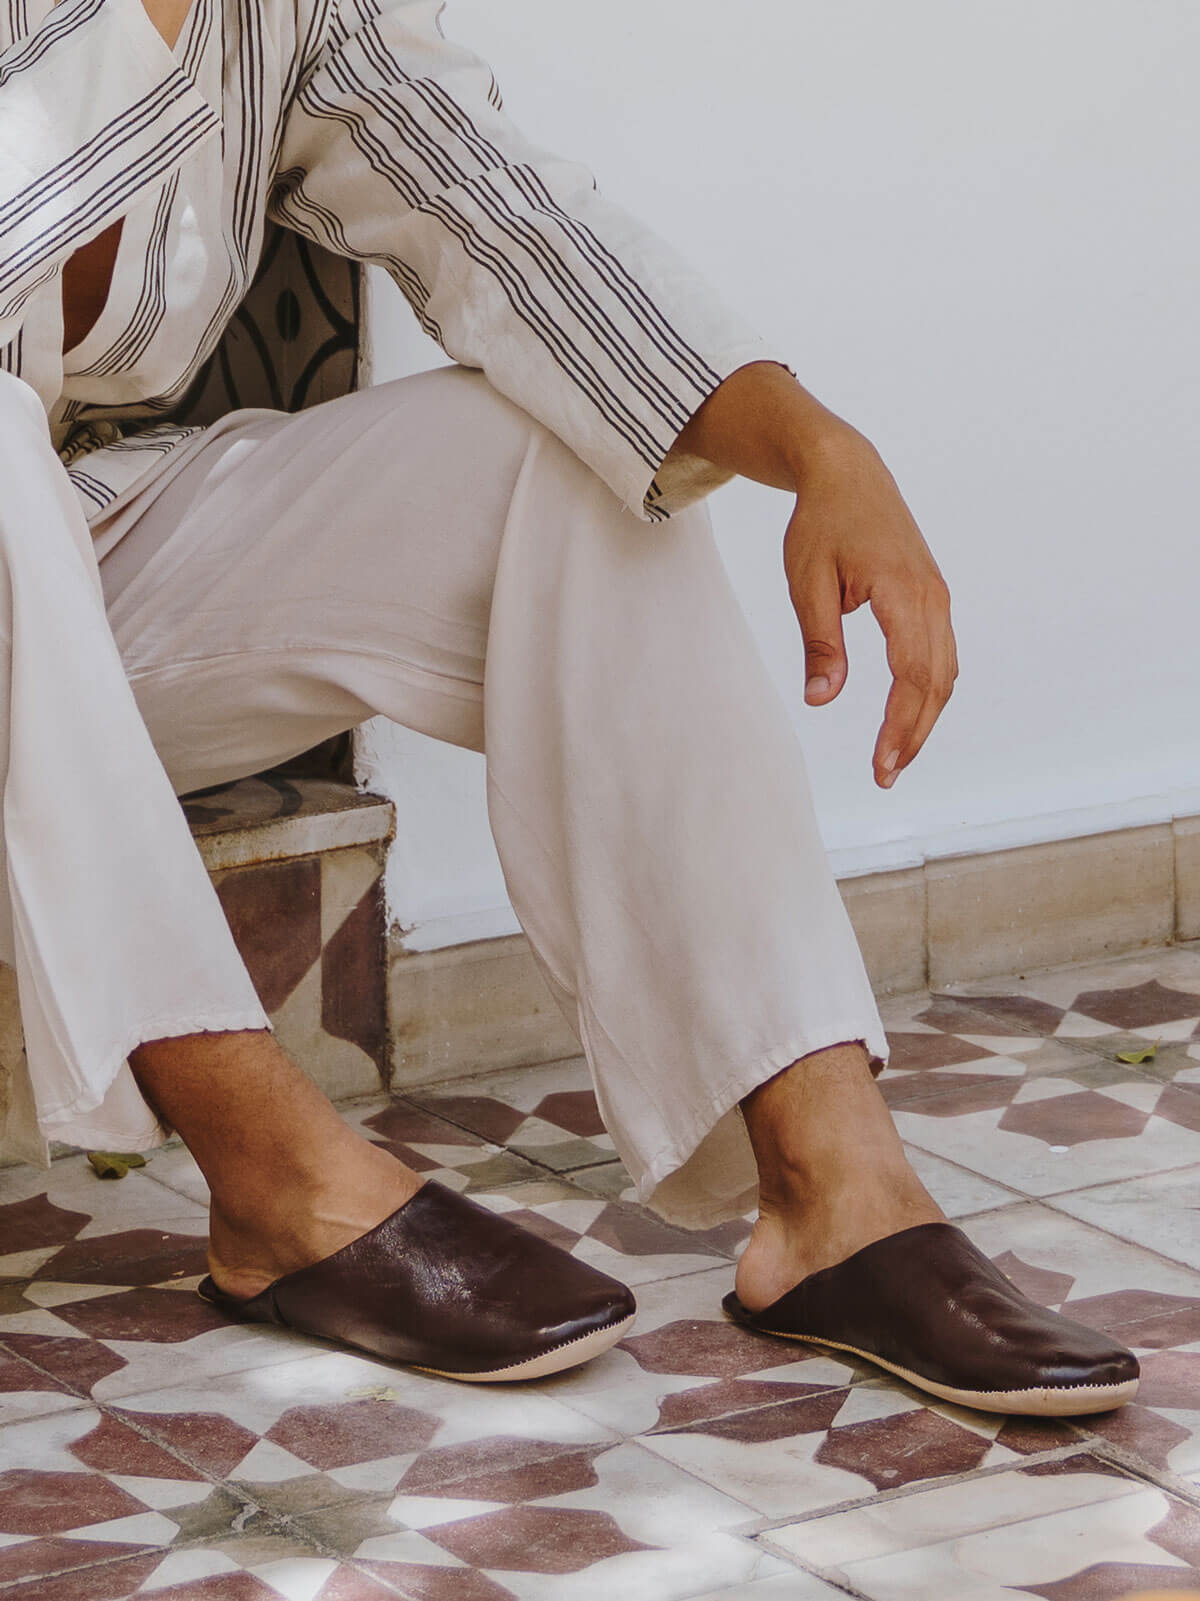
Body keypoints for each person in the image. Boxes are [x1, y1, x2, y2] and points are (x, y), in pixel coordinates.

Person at [0, 0, 1138, 1412]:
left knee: (567, 452)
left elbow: (505, 219)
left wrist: (818, 444)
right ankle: (270, 1172)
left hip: (61, 578)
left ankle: (834, 1183)